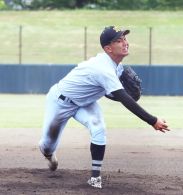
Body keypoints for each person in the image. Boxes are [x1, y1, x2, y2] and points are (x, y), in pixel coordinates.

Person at [39, 26, 169, 189]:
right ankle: (49, 155)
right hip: (60, 102)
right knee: (47, 145)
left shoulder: (117, 66)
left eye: (125, 39)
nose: (125, 43)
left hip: (86, 103)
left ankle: (95, 178)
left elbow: (112, 94)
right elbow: (124, 99)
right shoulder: (104, 68)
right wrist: (153, 120)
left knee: (99, 128)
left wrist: (123, 95)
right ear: (108, 48)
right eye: (119, 40)